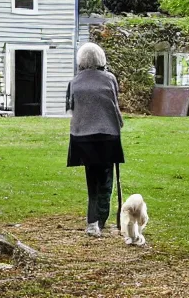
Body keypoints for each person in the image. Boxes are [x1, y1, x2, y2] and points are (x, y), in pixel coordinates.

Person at [66, 42, 125, 237]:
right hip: (107, 135)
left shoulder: (74, 82)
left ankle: (92, 222)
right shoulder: (110, 79)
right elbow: (114, 105)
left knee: (92, 180)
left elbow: (71, 107)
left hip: (83, 136)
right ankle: (100, 220)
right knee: (105, 181)